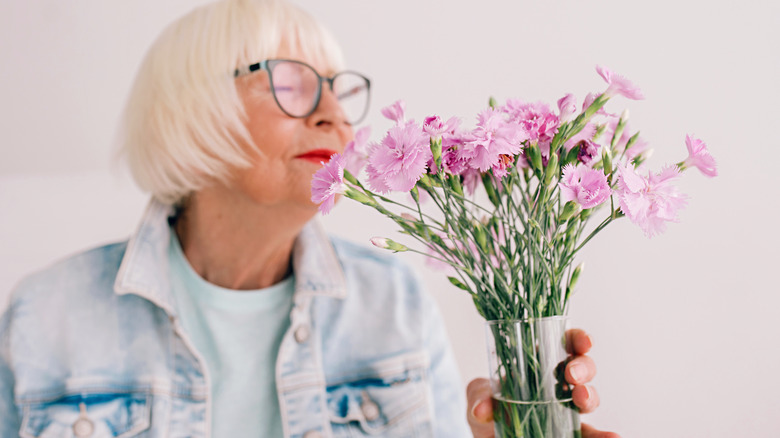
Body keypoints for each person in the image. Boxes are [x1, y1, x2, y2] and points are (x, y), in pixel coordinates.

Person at [0, 0, 618, 436]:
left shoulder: (393, 298)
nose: (334, 116)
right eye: (291, 83)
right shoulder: (44, 315)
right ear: (191, 110)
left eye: (338, 88)